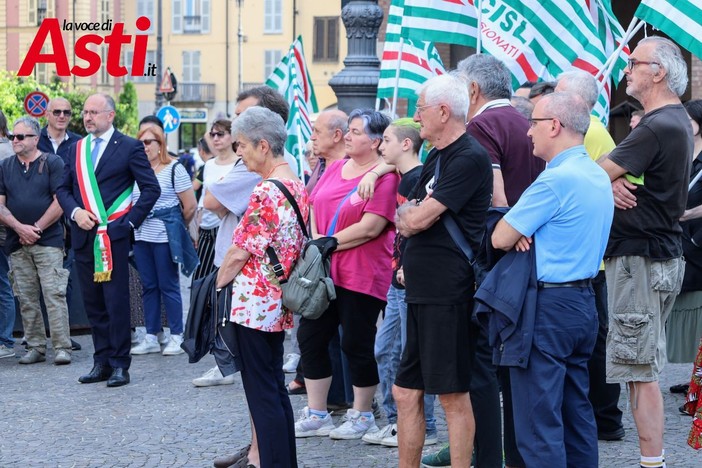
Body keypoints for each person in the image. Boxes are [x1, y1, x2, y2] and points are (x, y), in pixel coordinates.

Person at [492, 91, 614, 467]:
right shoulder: (595, 173)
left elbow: (500, 237)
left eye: (533, 124)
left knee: (538, 421)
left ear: (555, 126)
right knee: (576, 411)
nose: (529, 132)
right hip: (583, 301)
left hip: (547, 307)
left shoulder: (555, 181)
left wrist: (517, 226)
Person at [597, 37, 691, 468]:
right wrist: (611, 181)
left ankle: (653, 462)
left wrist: (606, 179)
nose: (626, 70)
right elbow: (607, 177)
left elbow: (593, 175)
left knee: (640, 370)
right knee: (640, 367)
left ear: (660, 72)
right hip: (654, 255)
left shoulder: (656, 125)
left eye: (634, 63)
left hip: (640, 259)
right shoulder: (671, 120)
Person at [393, 73, 492, 468]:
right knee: (405, 392)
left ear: (443, 111)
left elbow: (416, 219)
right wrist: (412, 214)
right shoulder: (436, 155)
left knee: (452, 395)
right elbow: (407, 212)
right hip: (420, 289)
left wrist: (413, 215)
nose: (416, 116)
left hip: (448, 292)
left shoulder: (469, 156)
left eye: (420, 108)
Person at [295, 109, 398, 440]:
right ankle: (317, 413)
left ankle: (363, 413)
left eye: (355, 131)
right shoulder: (336, 167)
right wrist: (317, 244)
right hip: (325, 272)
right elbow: (313, 205)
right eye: (349, 130)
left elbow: (372, 227)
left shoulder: (385, 177)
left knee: (356, 342)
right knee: (310, 338)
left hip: (363, 272)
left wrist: (328, 243)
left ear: (376, 141)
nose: (349, 136)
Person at [214, 106, 307, 468]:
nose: (239, 152)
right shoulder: (295, 184)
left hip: (254, 304)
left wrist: (216, 287)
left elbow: (239, 252)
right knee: (274, 390)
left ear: (263, 145)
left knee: (262, 393)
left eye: (241, 145)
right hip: (276, 302)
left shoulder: (266, 191)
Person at [56, 93, 160, 388]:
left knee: (115, 302)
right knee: (93, 303)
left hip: (113, 237)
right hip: (83, 235)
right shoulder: (76, 148)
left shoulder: (128, 147)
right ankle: (100, 361)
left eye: (94, 112)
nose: (87, 117)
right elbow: (62, 189)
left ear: (110, 116)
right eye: (85, 112)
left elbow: (150, 189)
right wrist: (75, 212)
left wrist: (127, 223)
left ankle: (119, 365)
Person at [555, 68, 625, 442]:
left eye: (559, 94)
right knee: (596, 340)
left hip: (590, 258)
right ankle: (601, 416)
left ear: (578, 100)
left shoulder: (592, 131)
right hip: (590, 255)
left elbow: (617, 179)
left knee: (597, 342)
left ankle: (606, 418)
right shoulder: (588, 130)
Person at [360, 118, 438, 448]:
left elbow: (421, 227)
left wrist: (406, 264)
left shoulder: (419, 178)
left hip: (408, 278)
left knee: (409, 353)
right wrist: (376, 171)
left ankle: (426, 426)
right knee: (387, 350)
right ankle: (397, 420)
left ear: (406, 144)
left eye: (387, 140)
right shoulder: (401, 175)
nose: (380, 146)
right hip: (397, 279)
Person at [0, 116, 72, 365]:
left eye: (20, 137)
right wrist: (20, 228)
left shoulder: (53, 162)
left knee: (54, 294)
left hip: (48, 240)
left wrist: (36, 229)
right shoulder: (6, 166)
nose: (15, 141)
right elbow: (1, 205)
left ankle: (62, 347)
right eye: (13, 137)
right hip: (17, 242)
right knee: (27, 297)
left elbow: (60, 201)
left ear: (35, 138)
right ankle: (36, 346)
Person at [129, 125, 197, 356]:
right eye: (141, 143)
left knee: (168, 285)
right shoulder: (136, 170)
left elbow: (190, 206)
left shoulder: (174, 169)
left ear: (160, 145)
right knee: (148, 286)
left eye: (149, 142)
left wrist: (177, 228)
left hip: (164, 234)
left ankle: (176, 335)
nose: (144, 147)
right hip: (141, 234)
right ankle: (151, 335)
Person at [667, 99, 702, 395]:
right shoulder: (683, 155)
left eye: (686, 119)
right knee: (688, 311)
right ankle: (696, 379)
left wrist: (689, 214)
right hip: (682, 243)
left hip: (698, 241)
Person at [191, 118, 239, 281]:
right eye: (213, 135)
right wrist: (197, 226)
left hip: (226, 227)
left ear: (232, 136)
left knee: (223, 276)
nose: (215, 138)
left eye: (220, 134)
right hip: (206, 226)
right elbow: (203, 195)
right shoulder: (209, 165)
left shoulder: (239, 164)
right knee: (200, 277)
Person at [0, 110, 16, 359]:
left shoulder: (4, 152)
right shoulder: (12, 150)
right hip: (11, 228)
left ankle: (5, 340)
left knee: (3, 286)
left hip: (4, 227)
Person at [38, 97, 81, 164]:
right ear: (47, 115)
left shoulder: (79, 143)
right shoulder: (35, 139)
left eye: (66, 112)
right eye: (57, 112)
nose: (62, 116)